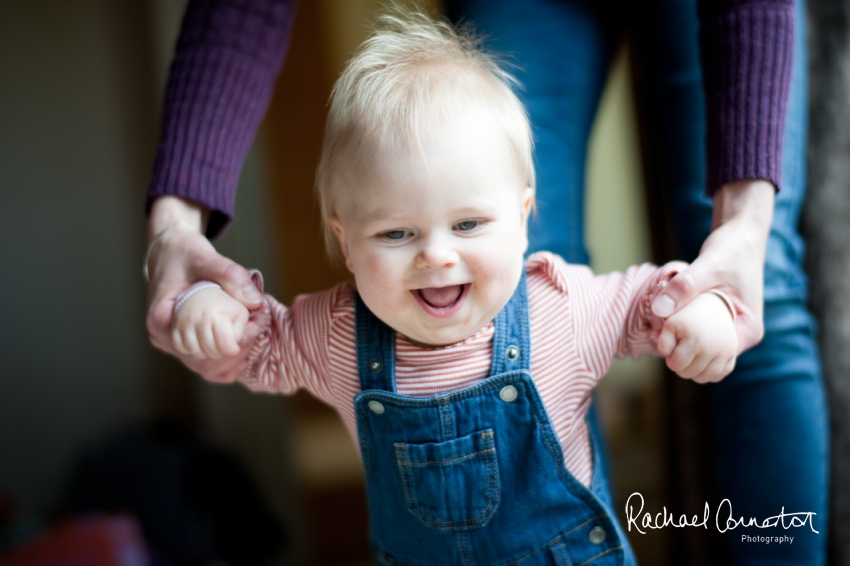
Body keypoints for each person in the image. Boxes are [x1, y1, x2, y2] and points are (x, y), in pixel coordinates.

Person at [144, 0, 829, 563]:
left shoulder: (565, 306)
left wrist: (703, 308)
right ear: (343, 242)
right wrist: (206, 300)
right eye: (396, 233)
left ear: (526, 217)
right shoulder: (331, 333)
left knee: (755, 281)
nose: (437, 257)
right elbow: (255, 344)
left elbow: (655, 303)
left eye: (469, 224)